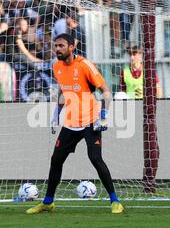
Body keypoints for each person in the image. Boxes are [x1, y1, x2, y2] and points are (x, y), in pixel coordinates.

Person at [26, 33, 124, 215]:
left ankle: (115, 201)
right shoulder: (57, 67)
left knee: (95, 159)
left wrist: (103, 116)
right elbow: (64, 91)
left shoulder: (84, 65)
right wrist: (57, 113)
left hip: (90, 121)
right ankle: (48, 202)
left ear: (72, 47)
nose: (57, 49)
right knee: (56, 160)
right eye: (56, 46)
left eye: (61, 46)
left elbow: (106, 91)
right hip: (71, 122)